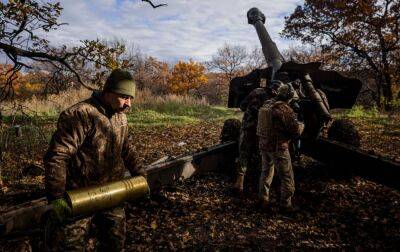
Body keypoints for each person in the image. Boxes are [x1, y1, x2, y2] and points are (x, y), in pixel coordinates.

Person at [44, 68, 146, 251]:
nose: (128, 104)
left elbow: (126, 148)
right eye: (124, 97)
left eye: (131, 98)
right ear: (108, 92)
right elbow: (57, 156)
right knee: (71, 246)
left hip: (113, 192)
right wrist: (56, 197)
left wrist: (141, 175)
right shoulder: (80, 114)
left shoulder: (120, 116)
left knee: (115, 243)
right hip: (79, 196)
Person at [256, 83, 304, 213]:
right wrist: (301, 124)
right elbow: (295, 132)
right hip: (278, 147)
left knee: (266, 172)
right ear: (288, 97)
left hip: (264, 144)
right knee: (287, 176)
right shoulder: (284, 109)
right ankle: (286, 205)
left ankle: (263, 199)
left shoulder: (267, 104)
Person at [233, 80, 281, 193]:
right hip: (262, 131)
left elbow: (243, 106)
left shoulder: (256, 91)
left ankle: (239, 183)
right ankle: (259, 185)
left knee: (243, 154)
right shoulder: (276, 100)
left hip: (247, 127)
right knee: (263, 157)